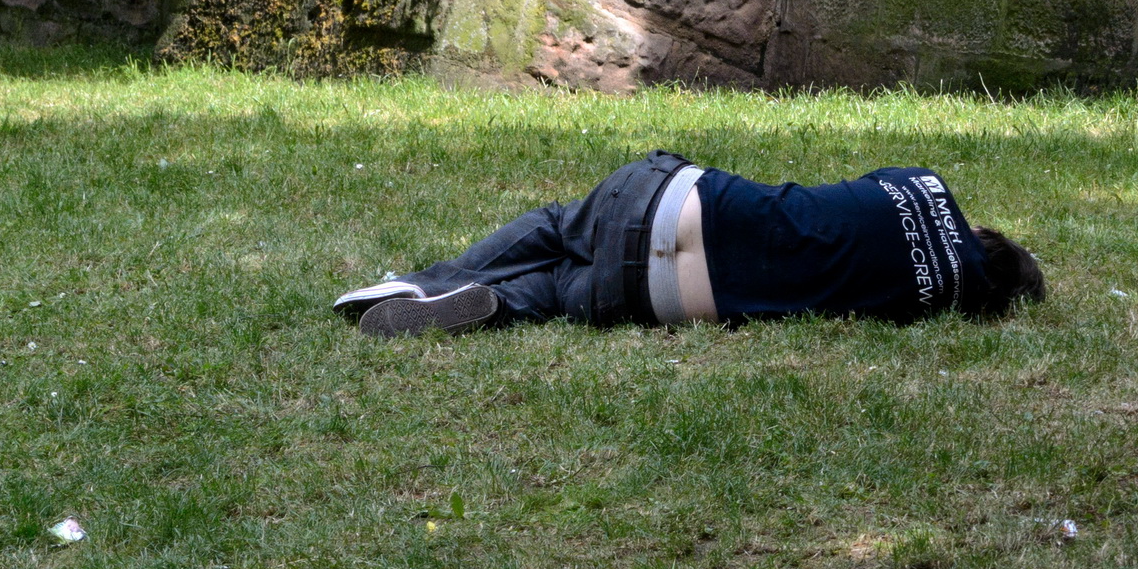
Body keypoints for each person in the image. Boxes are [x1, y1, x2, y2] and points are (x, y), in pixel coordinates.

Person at [334, 151, 1045, 338]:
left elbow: (859, 196)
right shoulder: (931, 303)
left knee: (562, 224)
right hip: (658, 299)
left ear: (989, 237)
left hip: (674, 202)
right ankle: (501, 306)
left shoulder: (923, 185)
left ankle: (423, 283)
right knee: (560, 291)